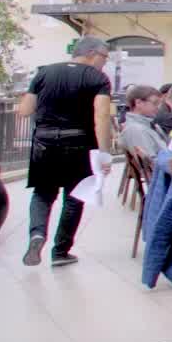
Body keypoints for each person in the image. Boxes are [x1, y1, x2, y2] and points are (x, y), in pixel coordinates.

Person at [17, 37, 114, 267]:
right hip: (79, 142)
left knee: (42, 193)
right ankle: (61, 251)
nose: (105, 62)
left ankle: (36, 235)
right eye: (104, 57)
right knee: (74, 197)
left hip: (44, 141)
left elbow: (25, 109)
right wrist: (104, 153)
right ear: (91, 54)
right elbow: (101, 116)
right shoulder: (97, 78)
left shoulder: (44, 73)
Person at [118, 85, 169, 161]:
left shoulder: (148, 125)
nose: (158, 107)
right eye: (155, 103)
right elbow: (151, 163)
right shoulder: (135, 130)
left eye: (159, 104)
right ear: (138, 103)